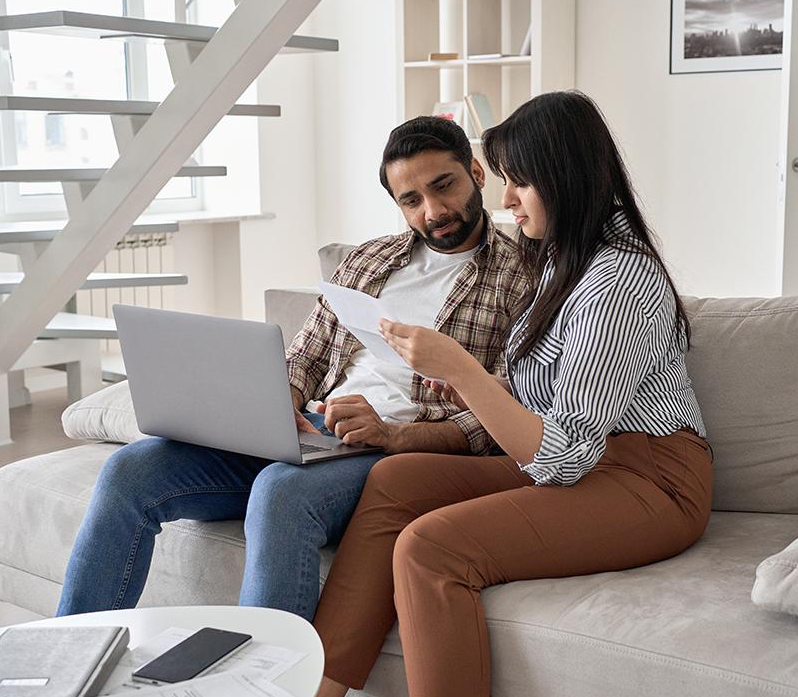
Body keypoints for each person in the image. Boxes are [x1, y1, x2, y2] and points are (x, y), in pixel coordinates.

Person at [309, 91, 714, 697]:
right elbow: (543, 396)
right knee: (394, 481)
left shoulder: (619, 281)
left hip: (650, 481)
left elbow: (563, 459)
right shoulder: (564, 262)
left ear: (564, 179)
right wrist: (463, 385)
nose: (504, 201)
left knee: (430, 547)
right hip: (592, 461)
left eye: (519, 183)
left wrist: (463, 371)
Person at [55, 116, 531, 621]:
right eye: (411, 200)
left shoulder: (524, 276)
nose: (433, 211)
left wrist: (391, 435)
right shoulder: (369, 260)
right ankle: (68, 661)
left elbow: (499, 416)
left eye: (444, 186)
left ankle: (269, 692)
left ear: (477, 173)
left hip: (396, 453)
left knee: (280, 492)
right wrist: (274, 402)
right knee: (130, 470)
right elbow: (303, 358)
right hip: (313, 431)